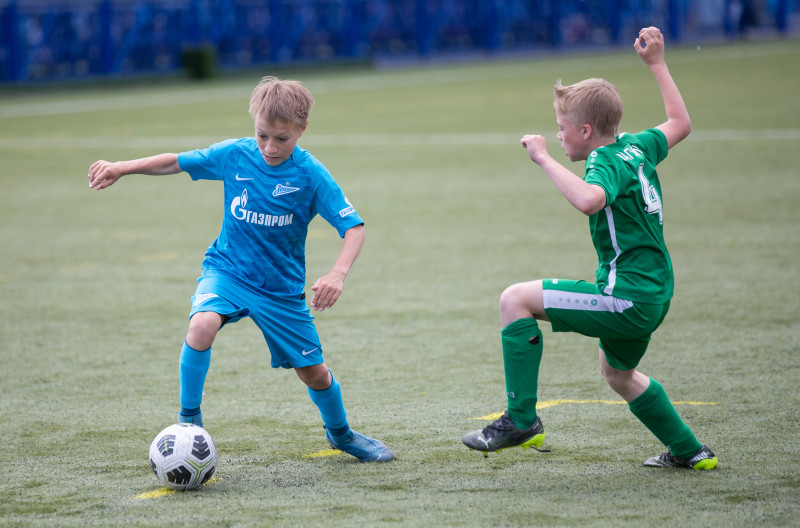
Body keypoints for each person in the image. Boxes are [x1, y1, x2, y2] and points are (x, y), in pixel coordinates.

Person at [88, 76, 393, 462]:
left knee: (314, 373)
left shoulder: (311, 174)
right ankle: (189, 424)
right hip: (227, 271)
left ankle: (342, 434)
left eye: (282, 138)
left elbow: (354, 228)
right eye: (262, 135)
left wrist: (337, 274)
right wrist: (122, 167)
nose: (269, 147)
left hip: (280, 290)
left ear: (302, 129)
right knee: (201, 325)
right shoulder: (235, 154)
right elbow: (177, 162)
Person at [462, 27, 717, 470]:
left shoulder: (604, 160)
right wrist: (657, 64)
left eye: (562, 130)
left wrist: (543, 158)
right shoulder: (636, 146)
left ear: (585, 129)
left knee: (514, 299)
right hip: (654, 294)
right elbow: (681, 124)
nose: (558, 137)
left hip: (628, 297)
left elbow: (589, 200)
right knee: (618, 375)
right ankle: (689, 450)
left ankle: (521, 420)